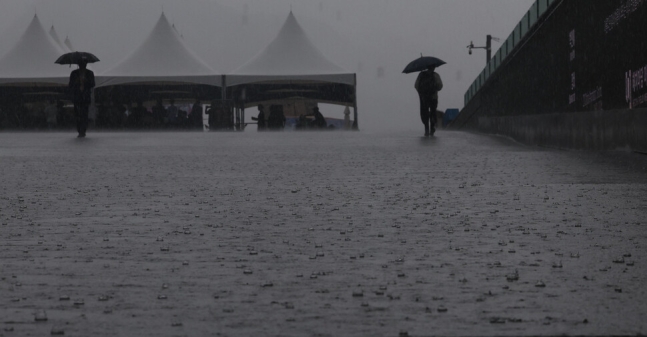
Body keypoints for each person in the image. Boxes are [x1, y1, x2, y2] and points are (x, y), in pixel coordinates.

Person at [68, 60, 95, 137]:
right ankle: (79, 129)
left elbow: (93, 84)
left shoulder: (90, 73)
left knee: (84, 114)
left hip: (85, 97)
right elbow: (70, 85)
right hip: (77, 97)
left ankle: (83, 130)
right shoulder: (74, 73)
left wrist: (86, 81)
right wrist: (76, 82)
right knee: (77, 114)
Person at [415, 66, 443, 137]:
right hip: (433, 97)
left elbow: (416, 85)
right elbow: (440, 86)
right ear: (433, 68)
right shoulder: (435, 75)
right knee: (433, 112)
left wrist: (422, 91)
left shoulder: (421, 75)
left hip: (424, 97)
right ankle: (432, 128)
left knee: (425, 113)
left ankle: (426, 129)